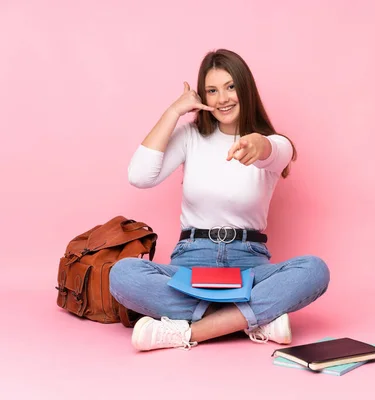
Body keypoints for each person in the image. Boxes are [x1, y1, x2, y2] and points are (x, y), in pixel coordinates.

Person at [109, 49, 330, 352]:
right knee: (122, 275)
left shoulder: (272, 144)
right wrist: (174, 112)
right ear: (204, 96)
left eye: (230, 87)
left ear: (245, 88)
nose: (222, 98)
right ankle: (252, 319)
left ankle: (187, 332)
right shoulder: (191, 136)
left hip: (249, 266)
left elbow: (277, 151)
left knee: (315, 270)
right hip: (190, 261)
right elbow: (139, 176)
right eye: (212, 90)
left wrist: (259, 143)